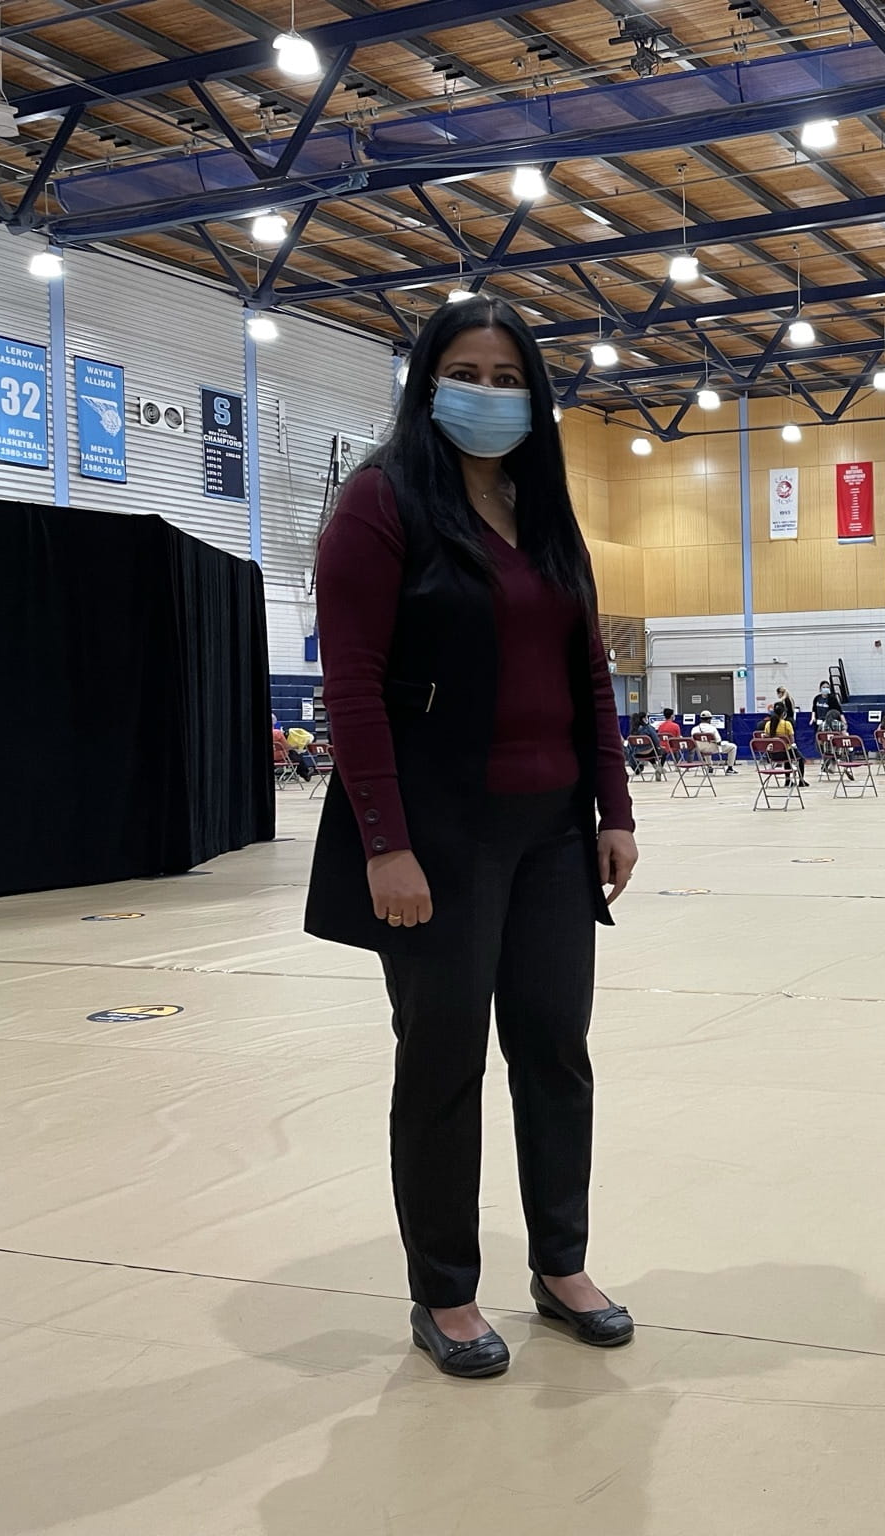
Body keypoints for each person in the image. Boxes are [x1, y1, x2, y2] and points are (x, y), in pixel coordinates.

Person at [305, 294, 638, 1381]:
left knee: (554, 1051)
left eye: (509, 379)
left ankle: (560, 1265)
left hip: (551, 831)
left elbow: (588, 670)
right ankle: (444, 1290)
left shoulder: (544, 510)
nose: (489, 395)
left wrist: (615, 808)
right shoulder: (380, 501)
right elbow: (351, 687)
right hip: (438, 835)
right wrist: (382, 843)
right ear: (425, 380)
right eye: (468, 372)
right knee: (441, 1062)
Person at [756, 700, 806, 785]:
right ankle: (801, 780)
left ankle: (788, 780)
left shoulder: (768, 724)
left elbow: (766, 738)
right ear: (784, 713)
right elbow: (792, 741)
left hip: (772, 755)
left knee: (787, 753)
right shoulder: (787, 724)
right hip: (785, 753)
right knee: (800, 758)